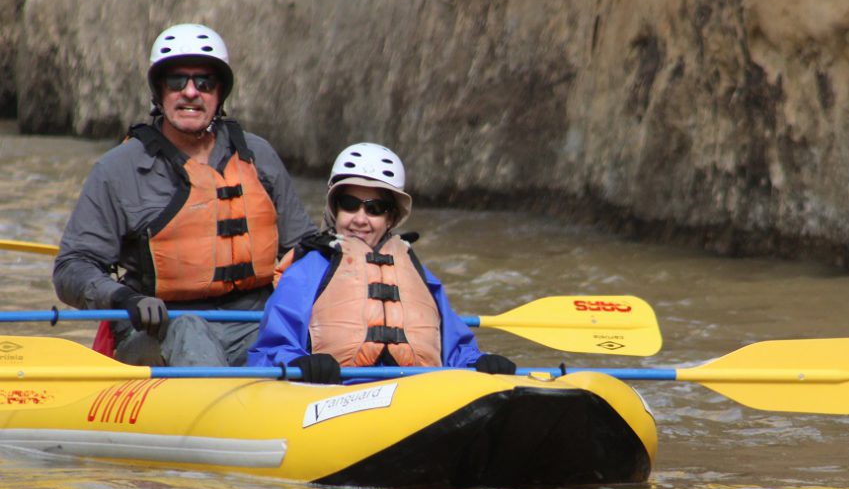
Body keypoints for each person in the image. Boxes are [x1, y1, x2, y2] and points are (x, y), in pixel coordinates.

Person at [53, 23, 317, 366]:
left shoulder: (257, 155)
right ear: (159, 91)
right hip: (159, 330)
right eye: (177, 81)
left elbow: (305, 246)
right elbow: (71, 268)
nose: (190, 92)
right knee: (190, 329)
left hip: (253, 323)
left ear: (219, 93)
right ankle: (219, 408)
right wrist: (123, 297)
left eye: (204, 83)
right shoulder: (118, 170)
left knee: (312, 330)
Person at [247, 142, 516, 383]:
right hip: (336, 394)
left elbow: (455, 348)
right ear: (334, 209)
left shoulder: (418, 273)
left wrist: (478, 362)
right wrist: (298, 364)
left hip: (412, 391)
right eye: (350, 204)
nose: (360, 218)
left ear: (391, 218)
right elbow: (269, 350)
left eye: (375, 208)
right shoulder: (308, 270)